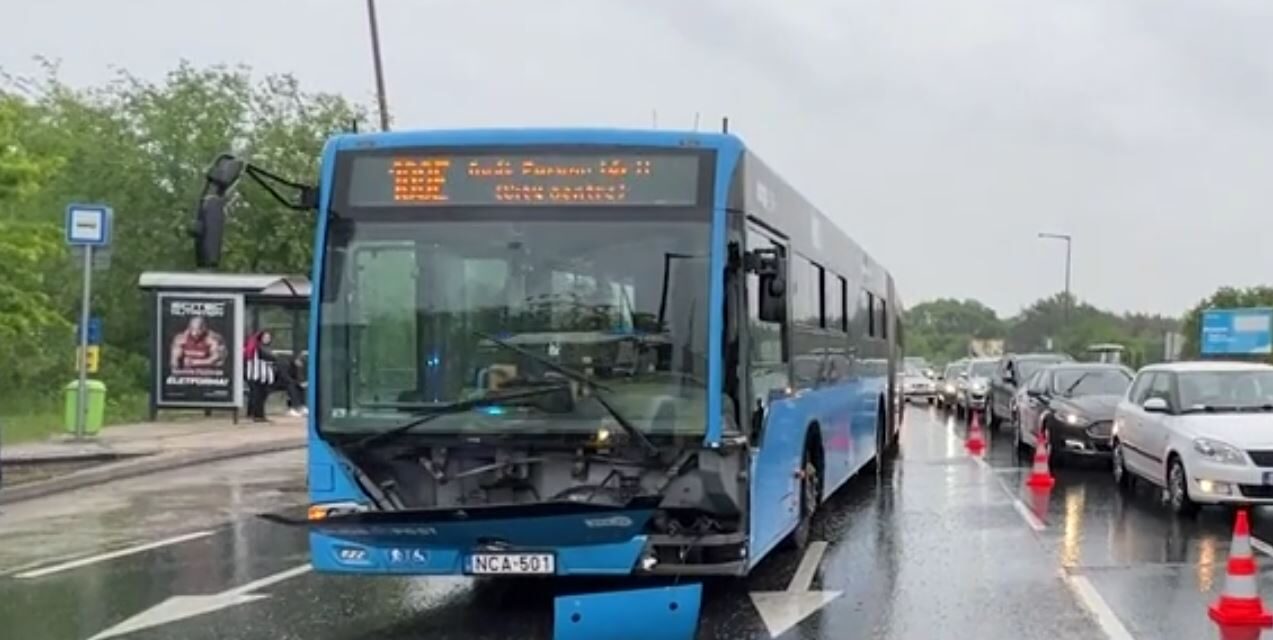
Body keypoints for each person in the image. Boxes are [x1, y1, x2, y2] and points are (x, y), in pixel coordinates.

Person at [244, 330, 277, 422]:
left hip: (263, 376)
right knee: (257, 395)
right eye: (265, 337)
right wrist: (274, 357)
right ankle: (256, 415)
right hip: (256, 375)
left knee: (260, 395)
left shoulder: (266, 347)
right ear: (261, 338)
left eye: (269, 337)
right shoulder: (257, 347)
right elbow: (270, 357)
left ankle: (258, 414)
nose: (267, 339)